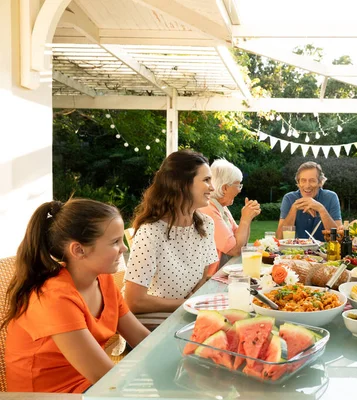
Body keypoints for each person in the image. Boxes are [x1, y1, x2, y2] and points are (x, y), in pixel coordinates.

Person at [3, 199, 150, 393]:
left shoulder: (104, 281)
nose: (124, 248)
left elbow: (142, 338)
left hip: (89, 385)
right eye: (115, 242)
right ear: (79, 250)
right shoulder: (55, 298)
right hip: (47, 396)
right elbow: (107, 380)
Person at [124, 150, 218, 318]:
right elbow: (134, 302)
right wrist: (190, 304)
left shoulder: (206, 224)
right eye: (206, 180)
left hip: (186, 314)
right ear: (181, 185)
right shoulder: (151, 232)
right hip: (152, 320)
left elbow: (202, 279)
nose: (213, 187)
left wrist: (193, 305)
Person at [199, 159, 261, 274]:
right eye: (238, 185)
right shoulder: (208, 210)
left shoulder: (221, 208)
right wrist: (245, 220)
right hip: (212, 276)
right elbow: (235, 250)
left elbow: (242, 244)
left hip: (226, 269)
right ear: (225, 188)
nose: (239, 190)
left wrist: (247, 218)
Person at [277, 161, 342, 242]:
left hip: (324, 252)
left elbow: (339, 237)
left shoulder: (331, 197)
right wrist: (293, 209)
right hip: (296, 252)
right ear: (298, 183)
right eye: (303, 180)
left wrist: (321, 209)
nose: (307, 186)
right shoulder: (289, 198)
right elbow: (279, 238)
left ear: (320, 182)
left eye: (312, 181)